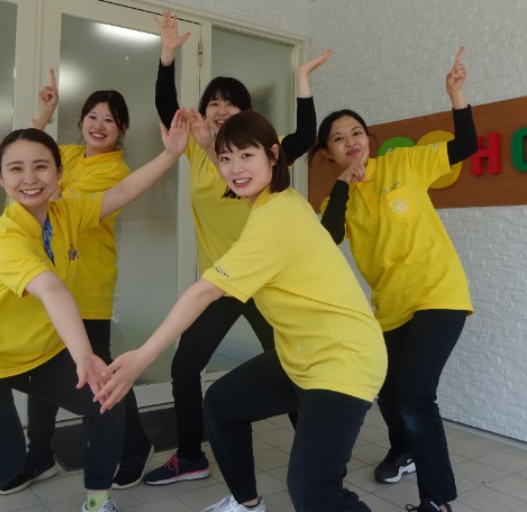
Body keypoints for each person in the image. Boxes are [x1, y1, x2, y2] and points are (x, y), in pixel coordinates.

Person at [97, 110, 387, 512]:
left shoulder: (272, 220)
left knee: (312, 491)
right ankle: (247, 504)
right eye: (226, 158)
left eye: (246, 156)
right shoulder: (282, 199)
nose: (234, 168)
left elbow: (203, 292)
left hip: (343, 359)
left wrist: (142, 356)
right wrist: (205, 146)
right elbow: (237, 174)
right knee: (223, 404)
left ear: (273, 155)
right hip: (301, 353)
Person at [0, 112, 189, 512]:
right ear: (0, 178)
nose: (30, 178)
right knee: (1, 461)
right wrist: (84, 356)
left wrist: (171, 154)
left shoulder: (66, 213)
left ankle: (96, 502)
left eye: (41, 166)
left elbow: (123, 191)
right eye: (16, 169)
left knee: (107, 399)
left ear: (60, 173)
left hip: (39, 353)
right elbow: (51, 289)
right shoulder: (4, 236)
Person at [143, 9, 332, 486]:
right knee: (185, 366)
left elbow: (306, 136)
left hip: (268, 283)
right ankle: (190, 456)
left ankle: (317, 454)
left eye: (231, 103)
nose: (221, 109)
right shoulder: (195, 146)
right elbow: (166, 106)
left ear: (248, 116)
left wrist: (302, 80)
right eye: (214, 102)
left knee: (293, 365)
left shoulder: (262, 153)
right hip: (222, 283)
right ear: (203, 112)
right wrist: (167, 56)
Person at [308, 47, 478, 512]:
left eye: (356, 133)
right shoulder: (337, 199)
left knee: (416, 394)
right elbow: (328, 239)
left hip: (439, 292)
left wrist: (456, 94)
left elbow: (465, 146)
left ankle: (437, 502)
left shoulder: (404, 164)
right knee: (387, 390)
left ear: (369, 138)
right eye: (338, 139)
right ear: (327, 153)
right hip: (389, 305)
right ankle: (405, 450)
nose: (351, 142)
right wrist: (344, 183)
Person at [0, 70, 153, 495]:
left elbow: (51, 198)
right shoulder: (66, 152)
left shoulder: (114, 169)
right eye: (92, 116)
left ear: (122, 128)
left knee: (104, 373)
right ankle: (39, 455)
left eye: (109, 120)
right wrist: (43, 113)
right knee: (42, 364)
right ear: (81, 120)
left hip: (88, 284)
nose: (98, 125)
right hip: (49, 280)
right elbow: (27, 154)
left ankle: (136, 445)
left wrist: (38, 181)